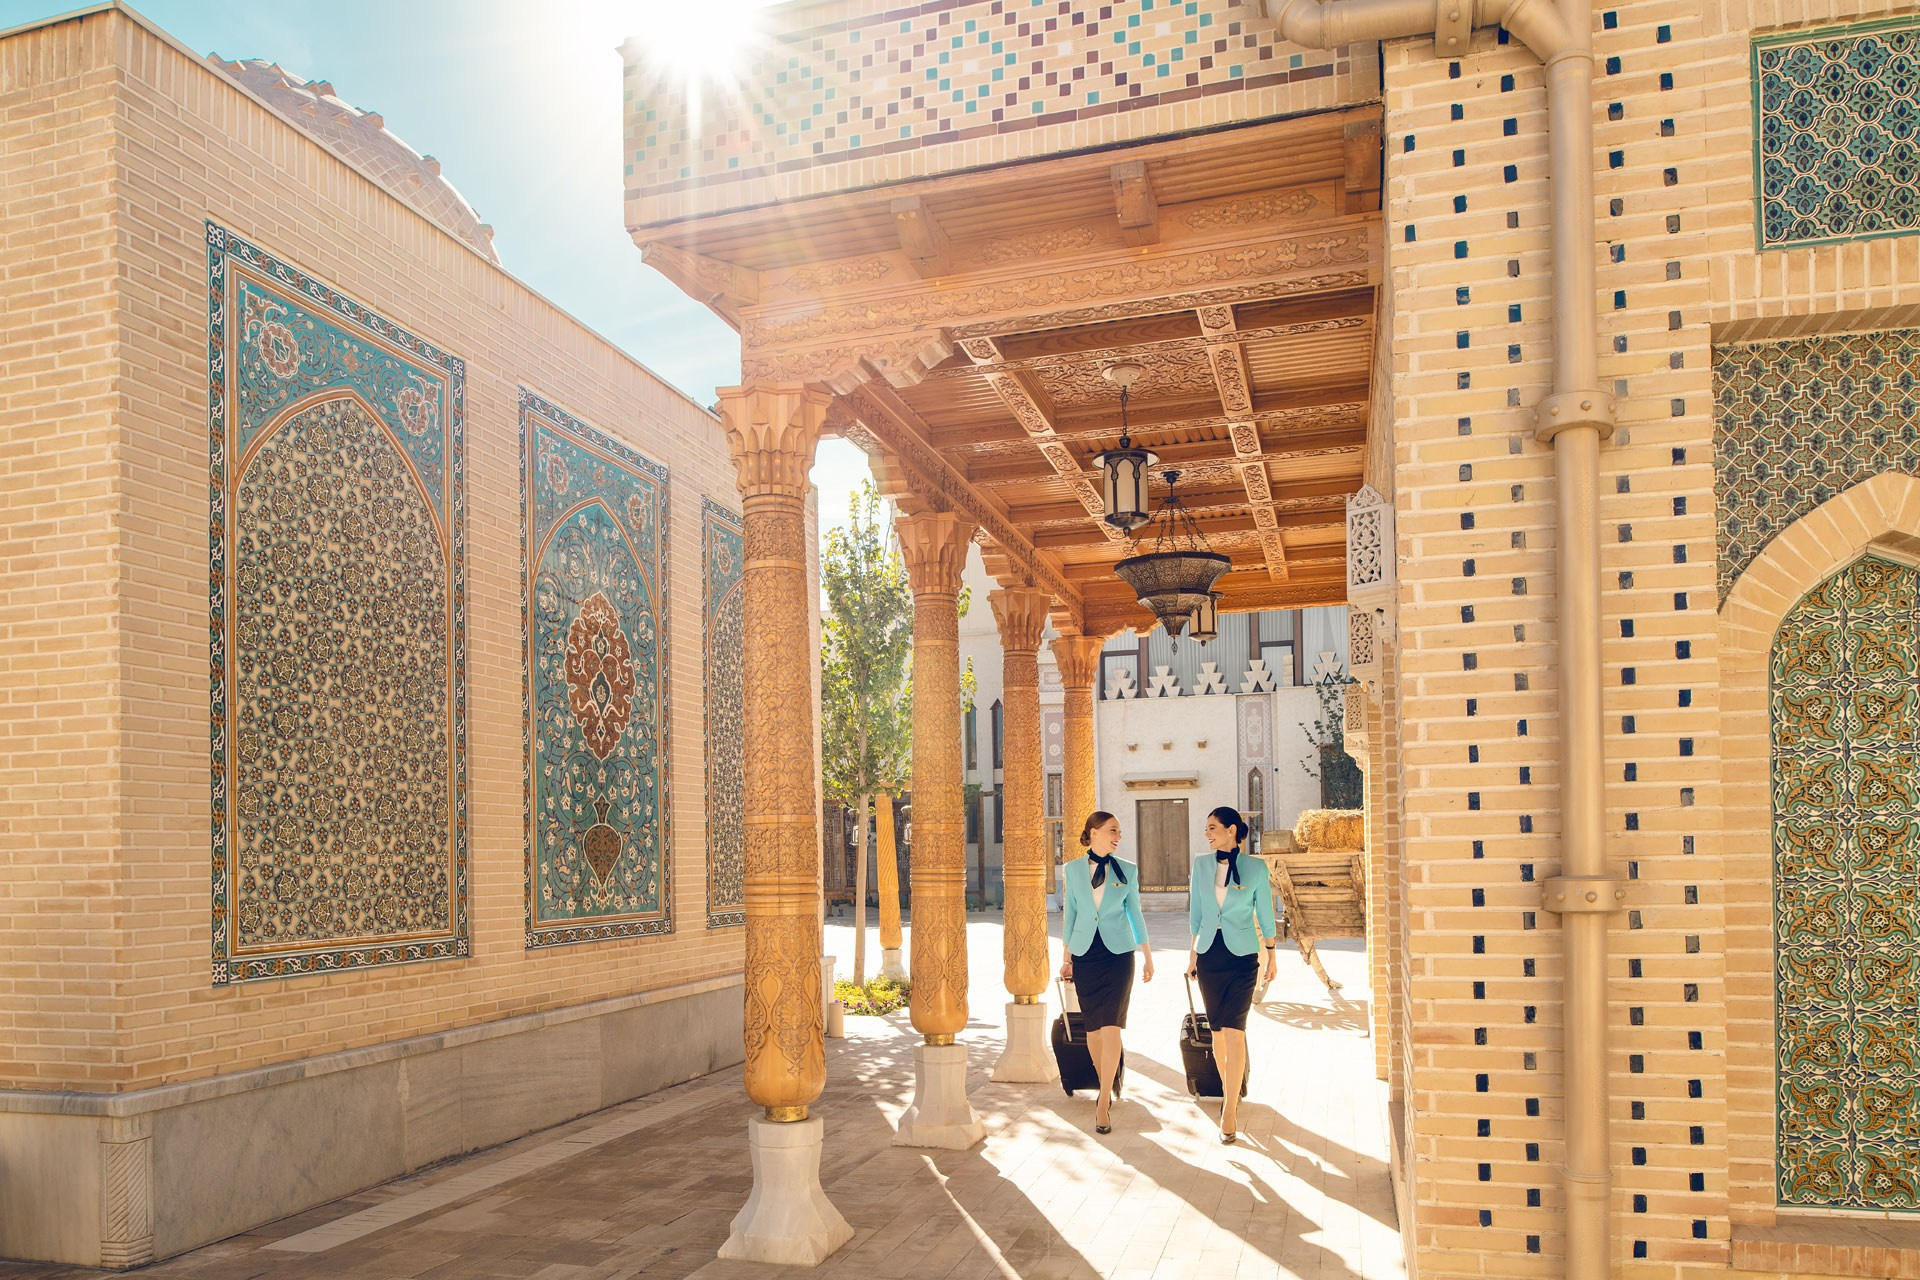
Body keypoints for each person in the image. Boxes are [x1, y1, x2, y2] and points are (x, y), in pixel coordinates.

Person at [1058, 810, 1154, 1134]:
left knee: (1112, 1026)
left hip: (1119, 955)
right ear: (1094, 832)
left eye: (1119, 831)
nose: (1118, 836)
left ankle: (1102, 1103)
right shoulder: (1072, 870)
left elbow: (1136, 914)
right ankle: (1105, 1085)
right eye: (1113, 830)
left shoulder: (1127, 870)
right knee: (1094, 1031)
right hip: (1085, 954)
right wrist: (1067, 958)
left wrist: (1148, 956)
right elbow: (1071, 915)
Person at [1185, 805, 1277, 1144]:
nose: (1207, 833)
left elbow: (1265, 913)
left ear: (1232, 830)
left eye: (1213, 827)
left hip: (1243, 957)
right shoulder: (1201, 865)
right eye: (1206, 828)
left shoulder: (1256, 868)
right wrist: (1192, 955)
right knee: (1218, 1033)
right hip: (1210, 955)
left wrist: (1272, 954)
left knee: (1235, 1032)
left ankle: (1230, 1111)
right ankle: (1229, 1093)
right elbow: (1196, 914)